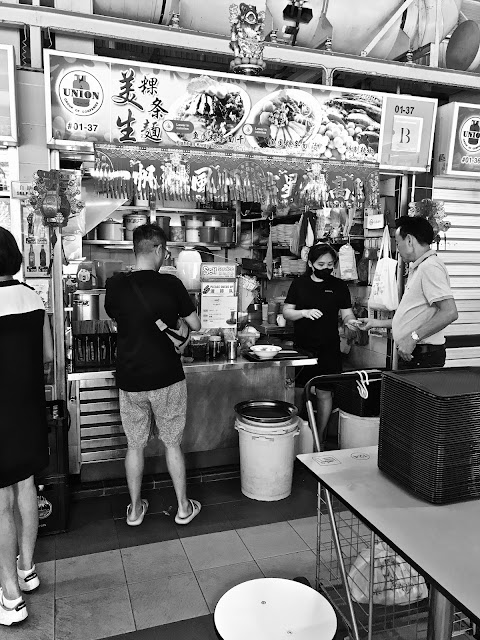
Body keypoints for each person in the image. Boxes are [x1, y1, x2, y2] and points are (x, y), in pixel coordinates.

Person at [105, 224, 202, 527]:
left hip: (131, 378)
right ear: (159, 249)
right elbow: (195, 324)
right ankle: (183, 509)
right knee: (172, 443)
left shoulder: (116, 285)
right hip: (167, 378)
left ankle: (135, 510)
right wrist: (181, 327)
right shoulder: (171, 285)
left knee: (135, 445)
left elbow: (115, 320)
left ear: (136, 249)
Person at [0, 227, 53, 626]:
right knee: (27, 489)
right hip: (29, 410)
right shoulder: (33, 297)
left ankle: (10, 597)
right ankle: (27, 571)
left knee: (0, 505)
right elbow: (49, 357)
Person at [283, 243, 361, 449]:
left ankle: (320, 438)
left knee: (325, 392)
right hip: (303, 349)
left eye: (329, 264)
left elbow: (346, 314)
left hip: (329, 347)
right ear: (310, 263)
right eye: (321, 264)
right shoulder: (299, 284)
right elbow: (287, 312)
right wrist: (304, 313)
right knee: (299, 392)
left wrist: (351, 323)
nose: (326, 267)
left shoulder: (339, 286)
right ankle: (295, 436)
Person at [360, 216, 458, 368]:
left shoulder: (430, 268)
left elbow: (449, 312)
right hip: (417, 353)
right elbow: (413, 317)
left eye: (398, 243)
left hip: (423, 355)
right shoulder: (420, 267)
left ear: (410, 241)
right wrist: (375, 323)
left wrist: (413, 338)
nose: (397, 249)